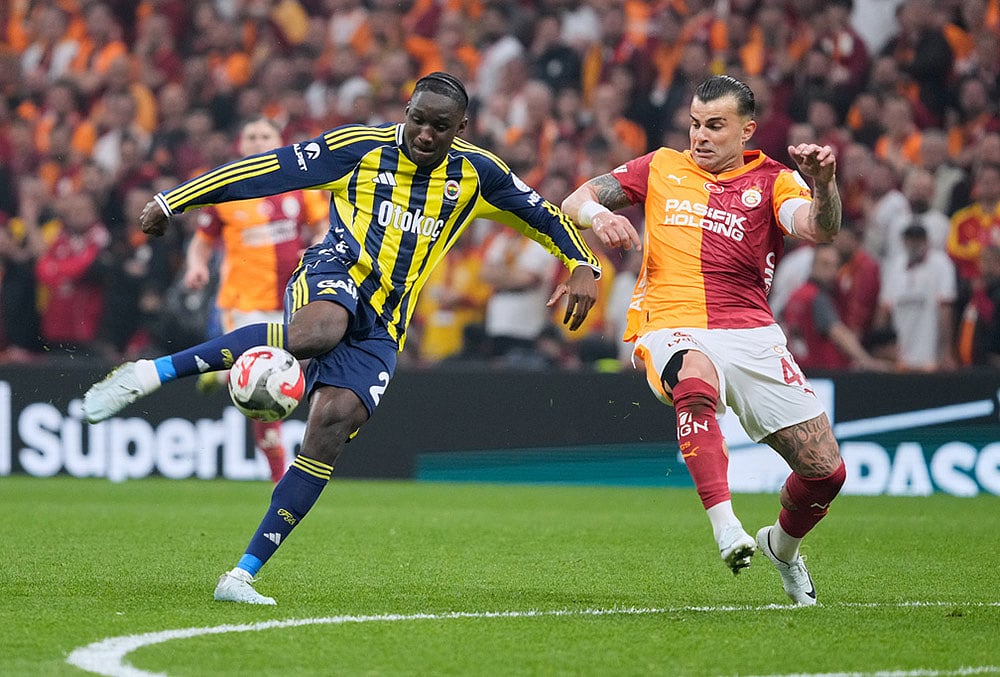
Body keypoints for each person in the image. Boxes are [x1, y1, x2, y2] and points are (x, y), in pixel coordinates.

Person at [81, 72, 601, 605]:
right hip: (336, 271)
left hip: (386, 322)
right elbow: (267, 171)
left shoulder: (478, 173)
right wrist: (175, 200)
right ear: (407, 111)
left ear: (460, 128)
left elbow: (541, 214)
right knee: (317, 332)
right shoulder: (357, 148)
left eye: (439, 127)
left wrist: (583, 262)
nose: (424, 133)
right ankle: (149, 373)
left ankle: (240, 575)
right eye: (417, 119)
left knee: (333, 423)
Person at [561, 75, 846, 606]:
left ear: (747, 130)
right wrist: (601, 216)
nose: (700, 136)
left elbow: (818, 228)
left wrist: (824, 183)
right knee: (694, 376)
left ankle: (781, 547)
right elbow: (578, 198)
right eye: (695, 123)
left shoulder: (774, 180)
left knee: (825, 472)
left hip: (752, 332)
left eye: (715, 126)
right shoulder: (662, 166)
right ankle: (725, 526)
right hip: (671, 321)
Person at [184, 116, 328, 483]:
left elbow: (322, 227)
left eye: (266, 135)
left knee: (311, 370)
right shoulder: (227, 189)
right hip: (243, 304)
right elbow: (202, 242)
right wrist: (196, 266)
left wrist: (319, 246)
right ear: (241, 145)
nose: (259, 141)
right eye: (251, 136)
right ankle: (279, 477)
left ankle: (220, 376)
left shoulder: (301, 186)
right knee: (264, 386)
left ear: (280, 142)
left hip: (293, 301)